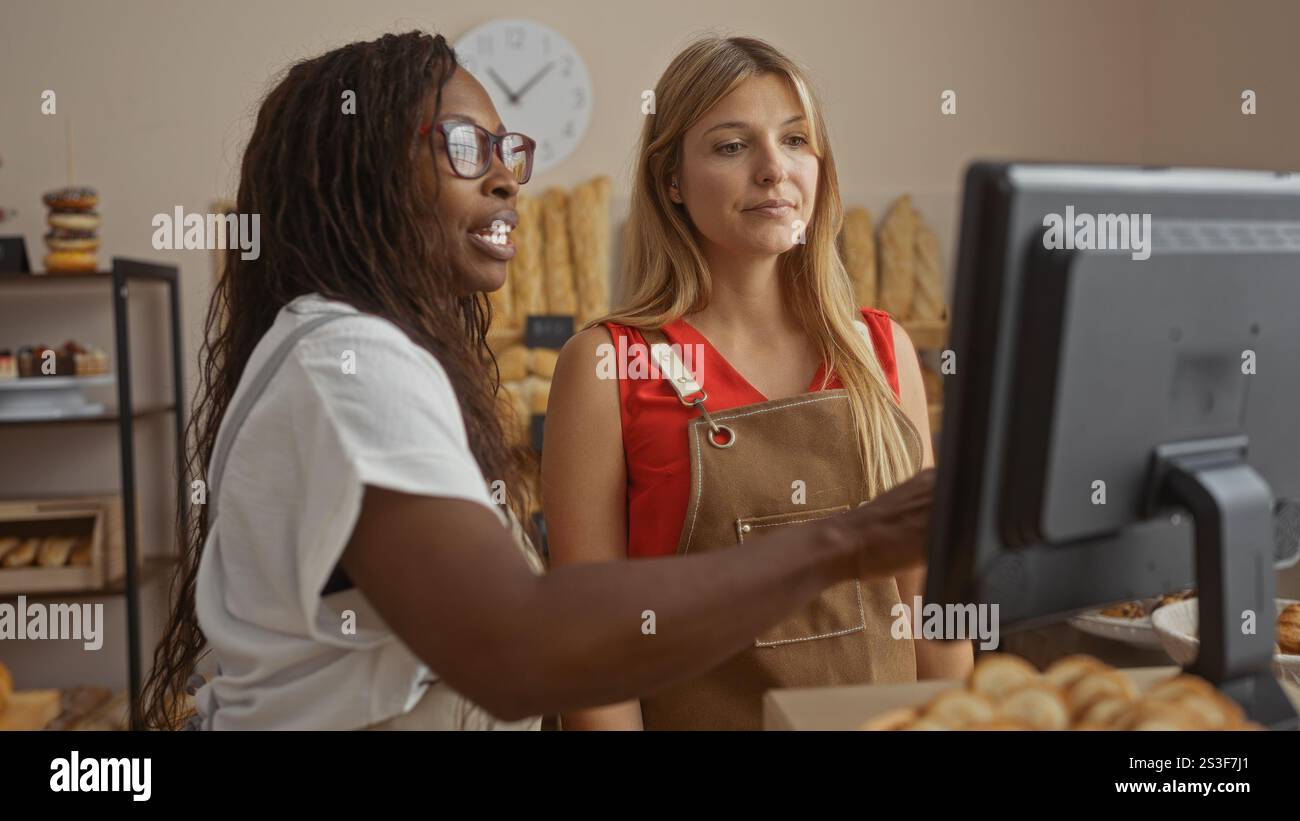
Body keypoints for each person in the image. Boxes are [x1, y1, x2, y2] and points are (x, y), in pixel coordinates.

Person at [141, 30, 936, 731]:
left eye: (504, 150)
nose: (506, 180)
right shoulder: (346, 366)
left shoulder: (358, 354)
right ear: (357, 173)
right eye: (462, 147)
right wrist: (845, 540)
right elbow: (518, 645)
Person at [544, 35, 972, 731]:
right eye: (732, 146)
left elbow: (929, 605)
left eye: (796, 140)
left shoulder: (882, 351)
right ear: (671, 181)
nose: (774, 170)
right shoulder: (606, 366)